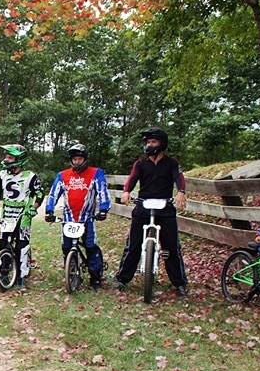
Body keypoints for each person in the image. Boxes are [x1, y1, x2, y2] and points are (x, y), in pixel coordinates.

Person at [114, 127, 188, 297]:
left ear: (161, 144)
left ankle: (179, 283)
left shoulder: (172, 163)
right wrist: (126, 191)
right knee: (133, 244)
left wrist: (181, 192)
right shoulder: (140, 163)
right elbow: (132, 178)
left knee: (172, 247)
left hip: (165, 206)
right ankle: (123, 279)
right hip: (144, 204)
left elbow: (179, 178)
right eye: (148, 142)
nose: (150, 145)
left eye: (153, 142)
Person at [44, 143, 111, 291]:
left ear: (85, 159)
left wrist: (104, 209)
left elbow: (102, 191)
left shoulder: (96, 173)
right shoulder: (63, 175)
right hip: (68, 218)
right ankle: (72, 273)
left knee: (90, 247)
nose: (77, 162)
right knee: (66, 247)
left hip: (87, 218)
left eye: (79, 159)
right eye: (74, 159)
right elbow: (53, 193)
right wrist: (49, 210)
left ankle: (95, 278)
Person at [0, 144, 44, 290]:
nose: (6, 160)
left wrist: (34, 208)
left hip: (23, 215)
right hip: (7, 215)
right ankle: (4, 274)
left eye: (10, 157)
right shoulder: (2, 174)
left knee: (21, 245)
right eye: (6, 156)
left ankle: (20, 275)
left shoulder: (30, 177)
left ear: (19, 159)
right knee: (3, 244)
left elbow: (39, 193)